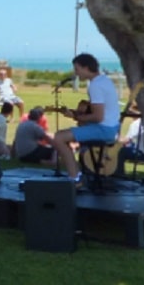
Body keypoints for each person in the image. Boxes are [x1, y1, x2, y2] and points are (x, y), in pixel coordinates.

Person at [52, 53, 122, 188]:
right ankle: (78, 172)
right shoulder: (105, 80)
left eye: (77, 69)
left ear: (86, 68)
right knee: (78, 127)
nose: (76, 73)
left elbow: (98, 116)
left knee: (59, 137)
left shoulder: (95, 86)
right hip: (113, 128)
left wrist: (75, 116)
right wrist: (79, 117)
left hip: (104, 130)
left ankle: (75, 177)